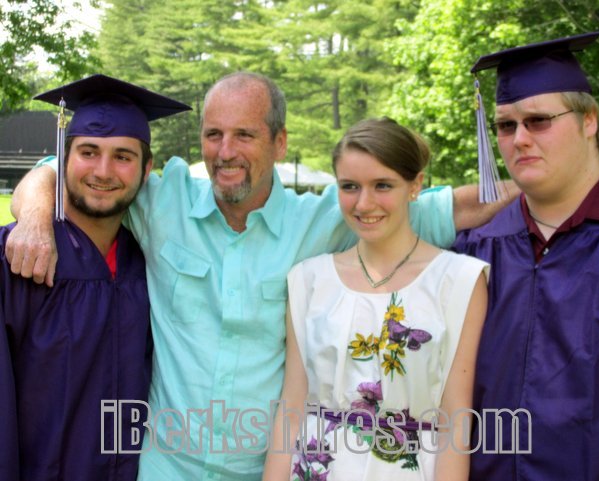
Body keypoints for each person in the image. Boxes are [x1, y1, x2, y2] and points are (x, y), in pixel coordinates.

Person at [8, 72, 512, 480]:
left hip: (263, 468)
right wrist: (32, 219)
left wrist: (547, 182)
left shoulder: (329, 220)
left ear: (279, 142)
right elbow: (57, 168)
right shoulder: (160, 201)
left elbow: (453, 207)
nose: (225, 151)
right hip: (164, 466)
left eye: (244, 135)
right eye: (213, 134)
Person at [454, 32, 599, 481]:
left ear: (589, 121)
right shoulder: (473, 249)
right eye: (505, 126)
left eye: (538, 121)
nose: (519, 139)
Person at [263, 117, 488, 481]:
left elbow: (455, 419)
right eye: (350, 186)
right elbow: (291, 406)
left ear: (415, 185)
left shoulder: (459, 280)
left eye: (382, 185)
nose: (364, 203)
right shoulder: (308, 280)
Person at [0, 74, 191, 480]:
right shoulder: (17, 258)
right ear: (63, 159)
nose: (104, 171)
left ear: (146, 168)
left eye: (123, 156)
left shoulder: (149, 264)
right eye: (89, 152)